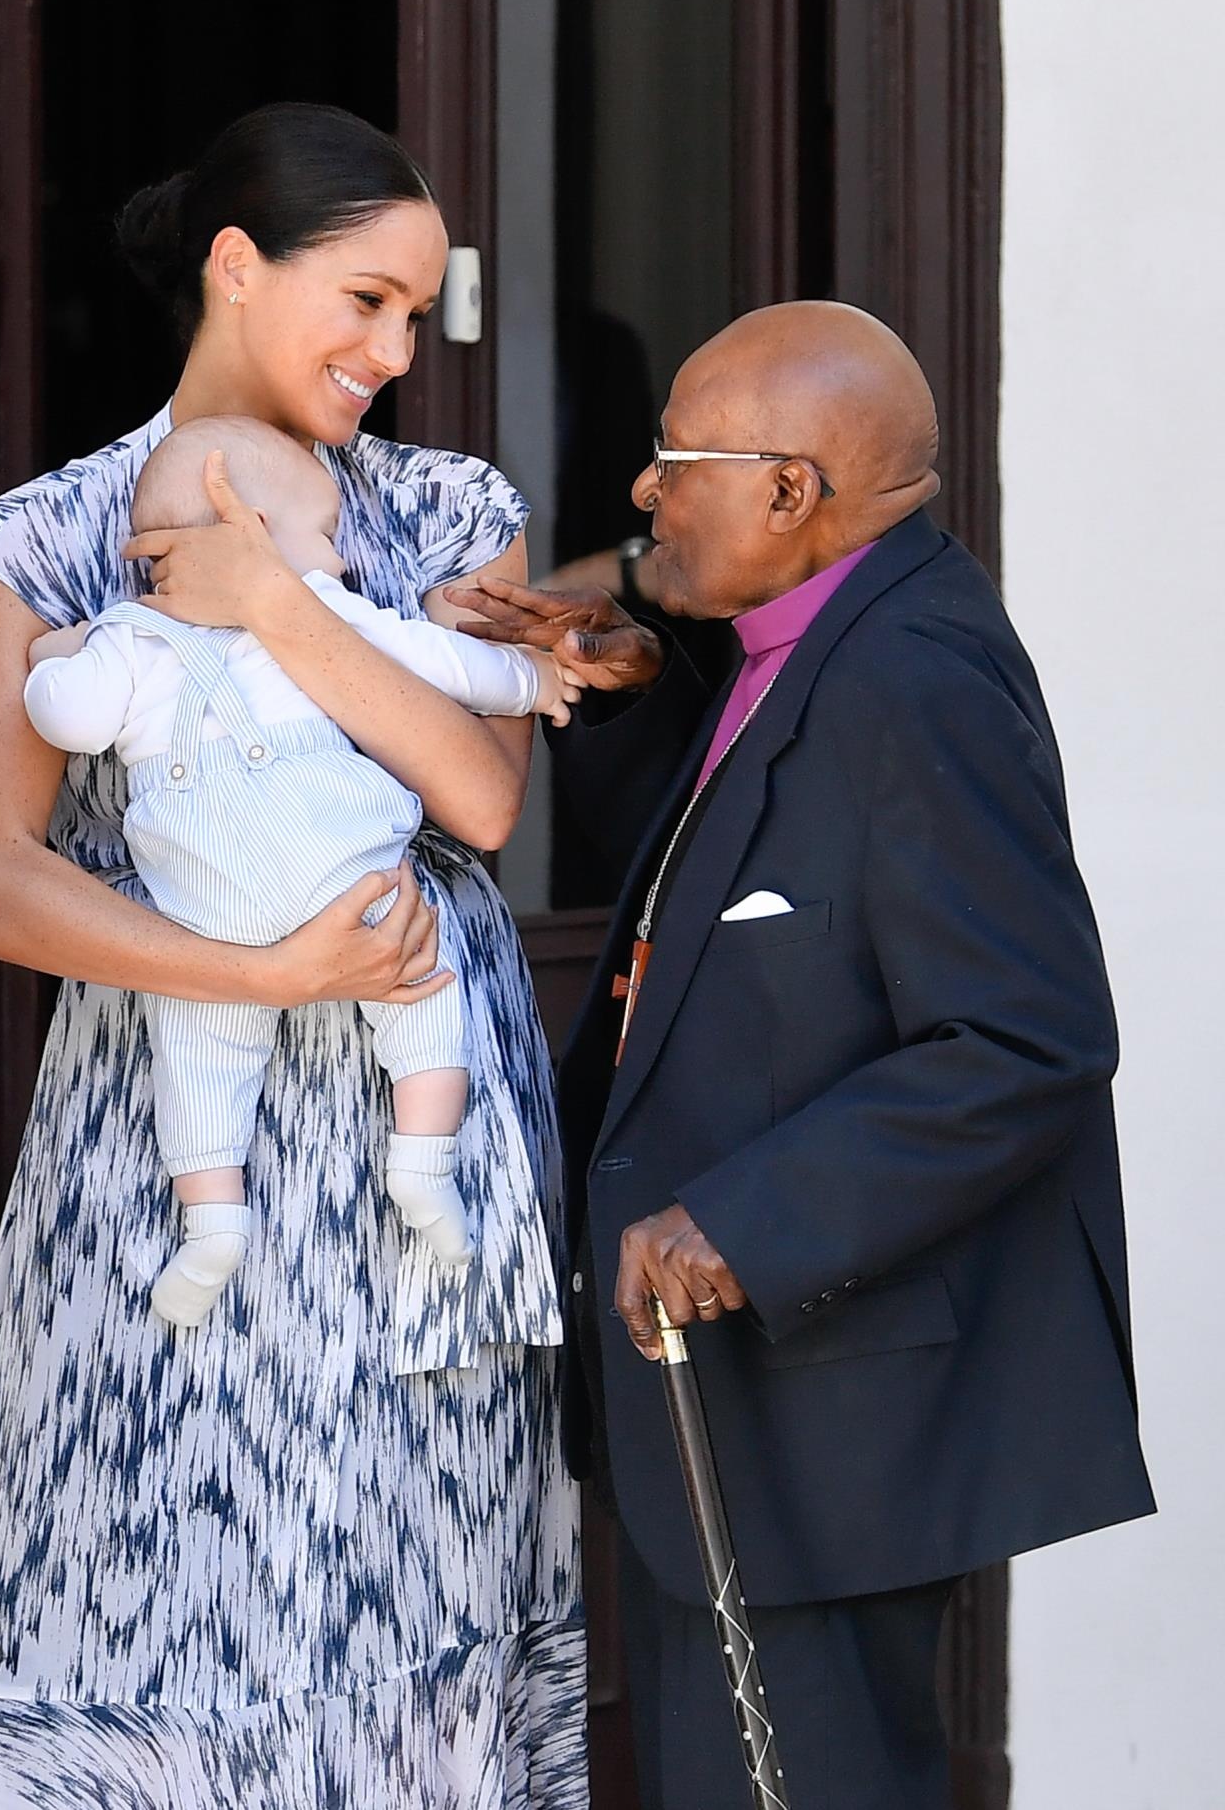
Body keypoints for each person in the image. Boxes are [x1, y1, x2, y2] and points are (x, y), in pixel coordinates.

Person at [0, 104, 588, 1806]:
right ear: (238, 269)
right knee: (135, 1592)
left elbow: (478, 795)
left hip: (424, 1143)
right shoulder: (43, 538)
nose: (395, 353)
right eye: (365, 302)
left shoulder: (446, 510)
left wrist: (274, 605)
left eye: (420, 314)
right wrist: (262, 978)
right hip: (173, 1140)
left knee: (412, 1613)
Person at [450, 301, 1155, 1809]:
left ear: (790, 488)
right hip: (740, 1410)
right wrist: (646, 669)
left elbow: (1028, 1035)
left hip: (827, 1417)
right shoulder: (801, 641)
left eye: (673, 464)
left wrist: (741, 1224)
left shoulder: (917, 675)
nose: (644, 495)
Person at [24, 413, 583, 1324]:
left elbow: (69, 721)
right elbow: (447, 664)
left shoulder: (126, 640)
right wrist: (534, 683)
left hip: (206, 914)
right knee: (422, 993)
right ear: (252, 530)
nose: (347, 561)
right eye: (326, 535)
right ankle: (424, 1165)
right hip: (343, 875)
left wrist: (53, 658)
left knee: (197, 1063)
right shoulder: (331, 614)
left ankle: (212, 1231)